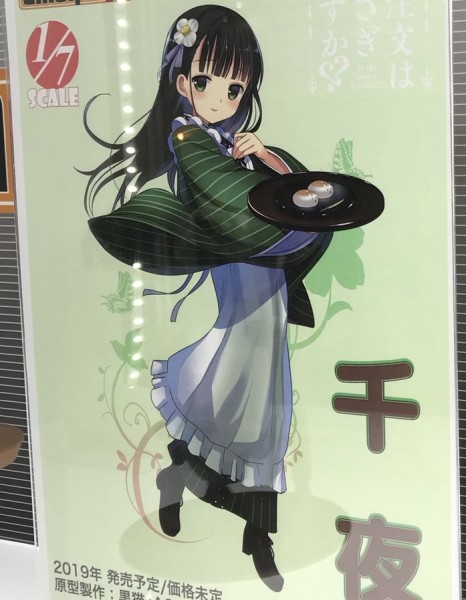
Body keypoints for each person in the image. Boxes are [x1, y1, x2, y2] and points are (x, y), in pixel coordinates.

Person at [84, 5, 333, 592]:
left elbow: (285, 189)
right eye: (205, 81)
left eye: (234, 87)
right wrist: (261, 179)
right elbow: (233, 200)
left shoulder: (232, 142)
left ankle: (247, 526)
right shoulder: (188, 137)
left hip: (267, 284)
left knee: (265, 407)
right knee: (240, 400)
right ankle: (202, 490)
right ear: (182, 83)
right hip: (240, 270)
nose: (220, 97)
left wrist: (264, 156)